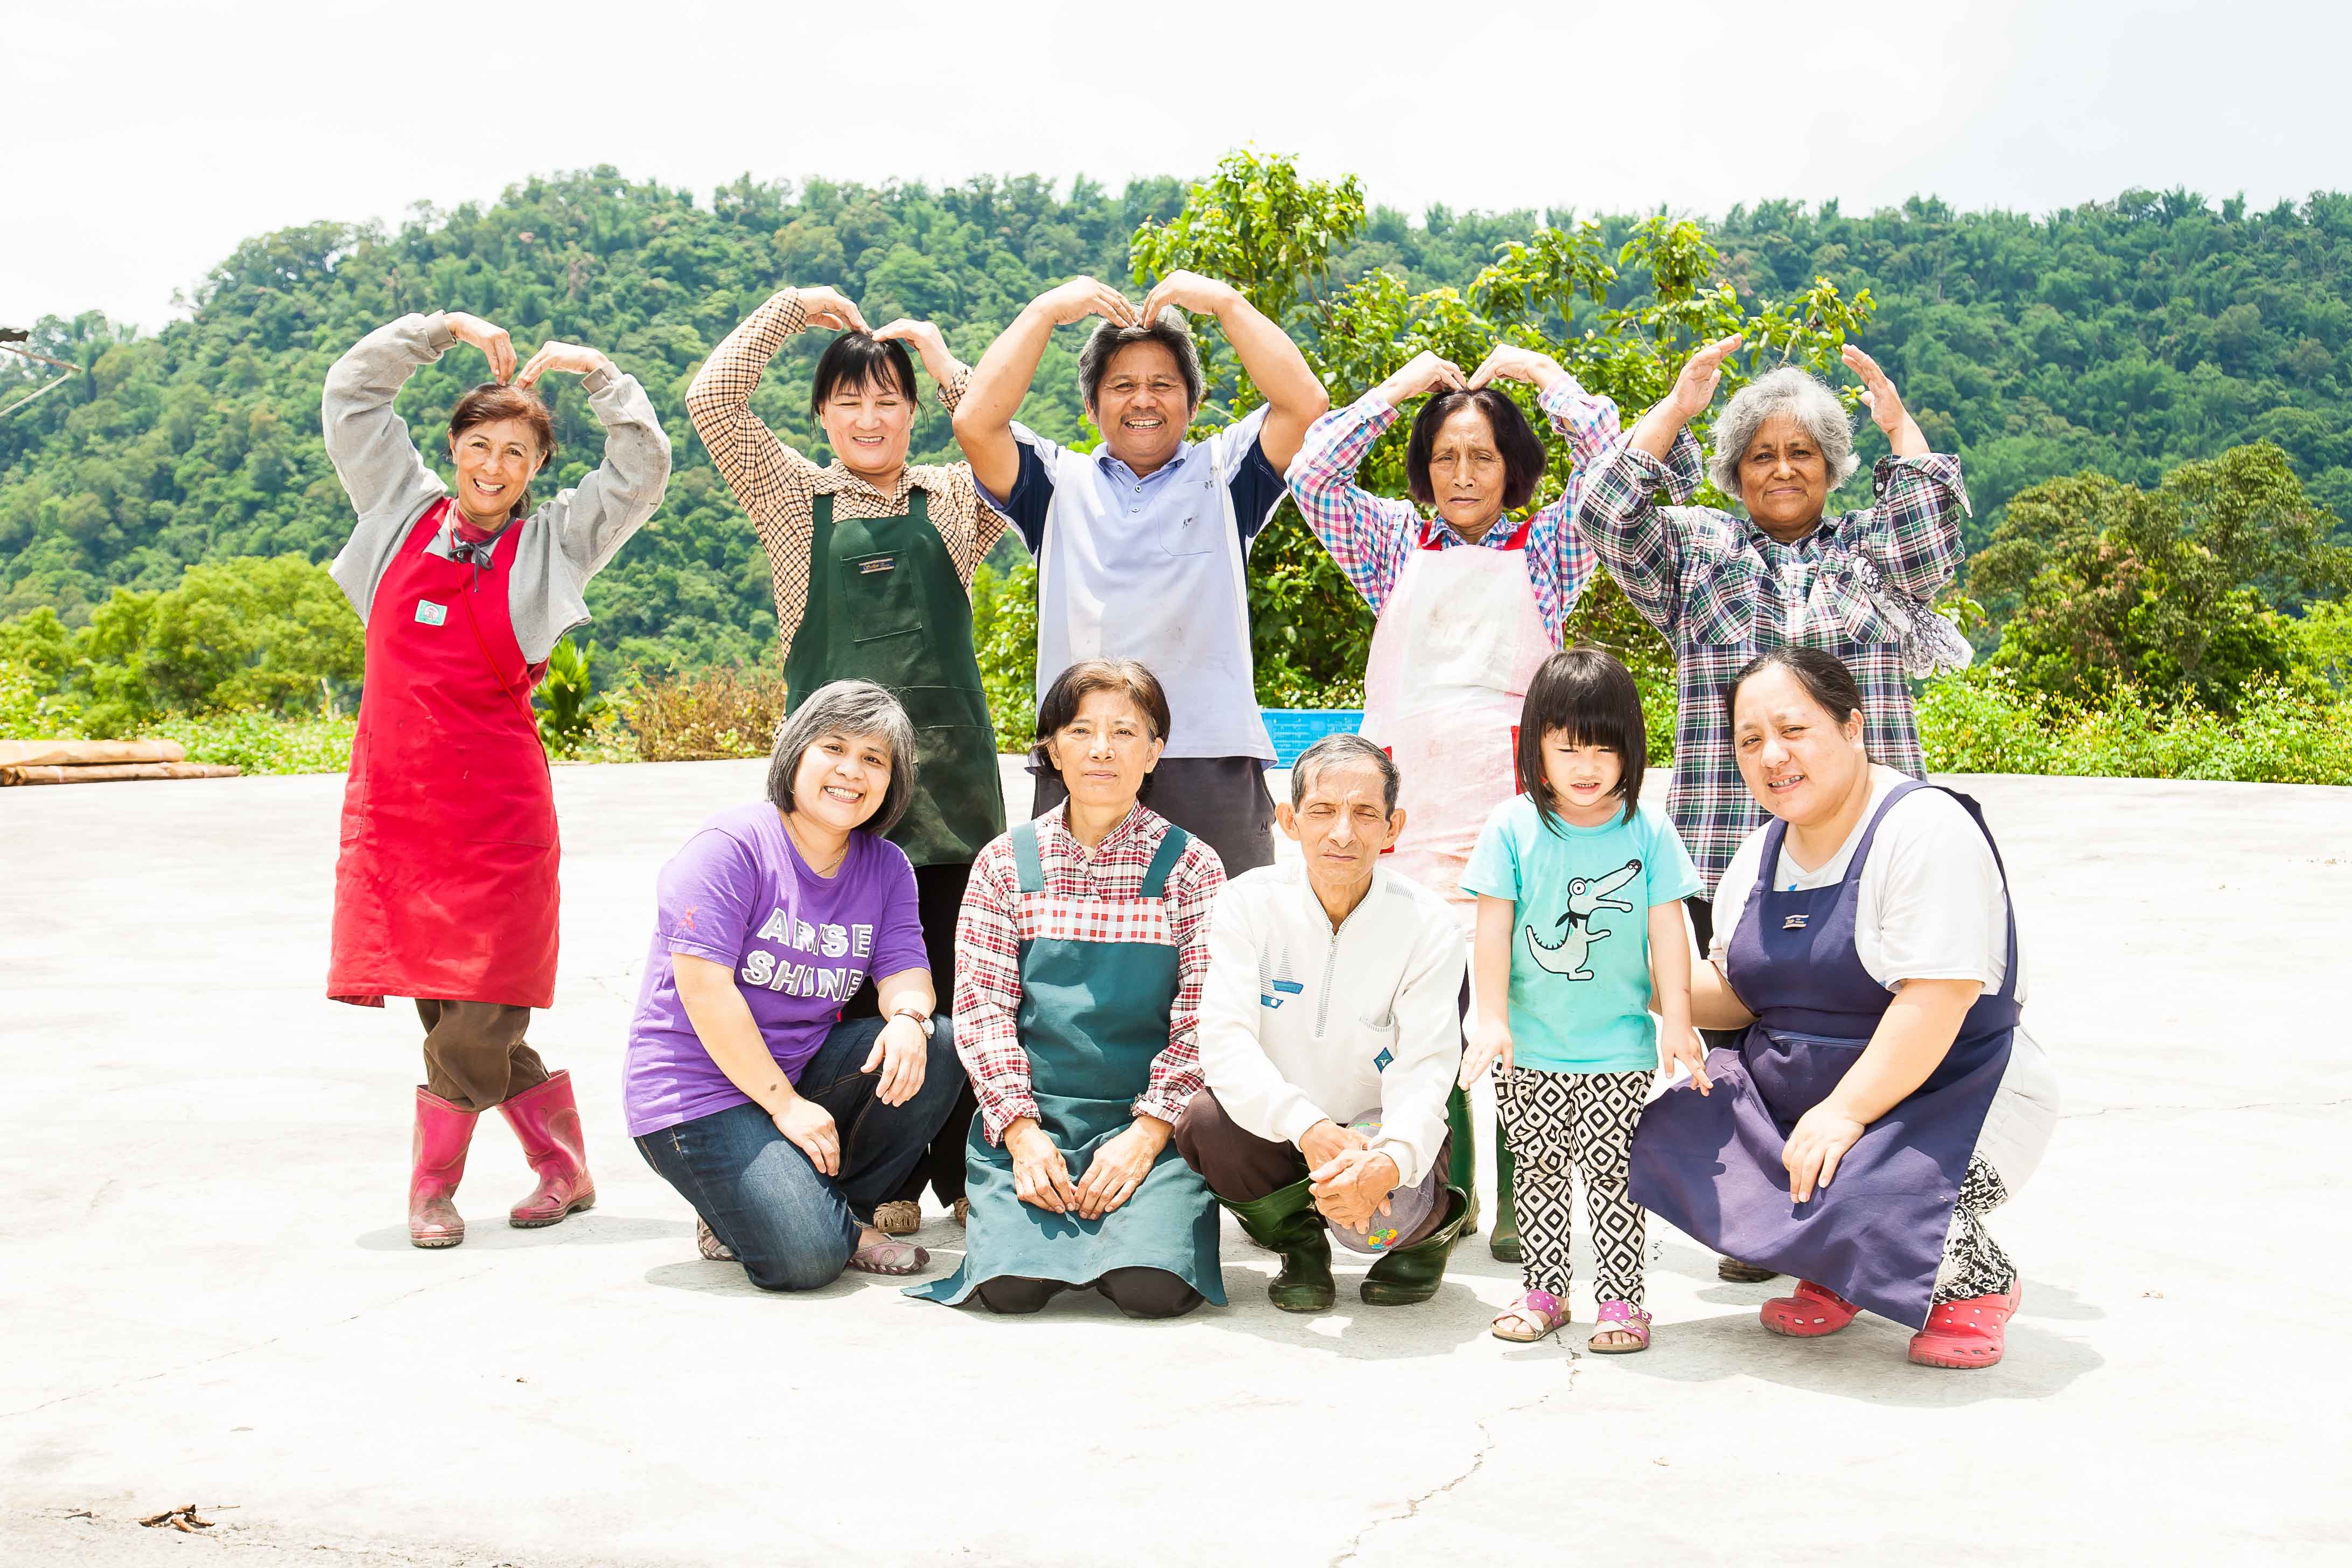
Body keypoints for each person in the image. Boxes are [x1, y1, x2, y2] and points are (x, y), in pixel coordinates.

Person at [1286, 343, 1700, 1261]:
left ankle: (1527, 1196)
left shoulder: (1550, 546)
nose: (1462, 474)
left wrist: (1543, 373)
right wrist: (1400, 385)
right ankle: (1454, 1188)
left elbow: (1610, 468)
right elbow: (1310, 473)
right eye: (1444, 457)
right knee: (1418, 1022)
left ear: (1512, 468)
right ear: (1422, 470)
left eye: (1481, 456)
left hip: (1516, 823)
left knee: (1524, 1011)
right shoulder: (1393, 543)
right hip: (1405, 822)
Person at [1575, 340, 1971, 1285]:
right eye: (1760, 453)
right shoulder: (1697, 556)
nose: (1782, 469)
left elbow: (1933, 527)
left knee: (1861, 1030)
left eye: (1801, 452)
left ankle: (1854, 1205)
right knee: (1741, 1047)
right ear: (1733, 472)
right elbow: (1605, 514)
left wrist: (1892, 420)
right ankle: (1762, 1212)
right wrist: (1677, 403)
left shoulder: (1876, 554)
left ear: (1830, 468)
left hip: (1866, 852)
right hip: (1728, 845)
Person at [322, 310, 671, 1248]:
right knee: (462, 1017)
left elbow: (642, 473)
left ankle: (431, 1190)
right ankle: (564, 1166)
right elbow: (352, 393)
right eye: (479, 444)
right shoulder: (397, 509)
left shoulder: (554, 545)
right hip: (404, 816)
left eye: (516, 452)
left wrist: (604, 378)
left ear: (535, 469)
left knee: (474, 1021)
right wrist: (440, 331)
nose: (492, 466)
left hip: (500, 824)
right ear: (452, 447)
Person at [1630, 650, 2060, 1368]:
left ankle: (1976, 1285)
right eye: (1749, 740)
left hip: (1955, 1102)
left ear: (1853, 727)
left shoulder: (1924, 827)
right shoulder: (1759, 852)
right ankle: (1843, 1266)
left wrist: (1844, 1113)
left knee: (1859, 1182)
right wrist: (1623, 976)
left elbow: (1938, 997)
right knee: (1682, 1134)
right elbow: (1735, 994)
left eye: (1794, 729)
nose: (1772, 755)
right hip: (1820, 1111)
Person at [688, 284, 1004, 1237]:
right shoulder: (794, 502)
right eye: (848, 401)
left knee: (948, 999)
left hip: (947, 801)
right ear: (820, 414)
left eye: (889, 400)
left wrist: (946, 360)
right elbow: (711, 401)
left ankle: (931, 1179)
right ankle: (787, 1176)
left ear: (912, 412)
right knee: (814, 1006)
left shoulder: (953, 497)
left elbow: (1002, 441)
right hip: (823, 815)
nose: (869, 418)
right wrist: (787, 311)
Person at [951, 271, 1329, 876]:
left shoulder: (1225, 473)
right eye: (1122, 385)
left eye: (1163, 384)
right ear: (1092, 403)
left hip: (1210, 758)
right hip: (1082, 757)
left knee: (1227, 952)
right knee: (1077, 952)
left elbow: (1305, 405)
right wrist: (1045, 309)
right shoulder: (1054, 483)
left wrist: (1227, 303)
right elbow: (975, 423)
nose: (1143, 400)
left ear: (1193, 401)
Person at [909, 660, 1228, 1318]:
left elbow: (1204, 1015)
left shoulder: (1191, 866)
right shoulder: (1005, 862)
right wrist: (1023, 1133)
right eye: (1081, 730)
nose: (1102, 748)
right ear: (1053, 747)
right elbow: (981, 1011)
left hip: (1150, 1123)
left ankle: (1147, 1220)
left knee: (1154, 1289)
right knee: (1010, 1290)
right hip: (1033, 1117)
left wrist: (1146, 1133)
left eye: (1125, 731)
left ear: (1154, 750)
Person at [625, 681, 963, 1288]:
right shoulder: (731, 847)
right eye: (834, 747)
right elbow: (706, 993)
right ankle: (798, 1219)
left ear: (893, 782)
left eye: (874, 759)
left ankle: (839, 1211)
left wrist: (910, 1018)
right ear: (796, 753)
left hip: (800, 1071)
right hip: (697, 1096)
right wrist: (784, 1106)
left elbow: (906, 967)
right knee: (805, 1259)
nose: (850, 771)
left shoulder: (885, 866)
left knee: (937, 1045)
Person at [1458, 649, 1704, 1352]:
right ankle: (1545, 1289)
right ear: (1537, 745)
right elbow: (1493, 930)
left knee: (1614, 1182)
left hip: (1619, 1050)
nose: (1586, 765)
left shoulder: (1648, 829)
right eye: (1568, 748)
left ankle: (1624, 1301)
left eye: (1603, 747)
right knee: (1536, 1175)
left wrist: (1678, 1024)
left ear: (1631, 747)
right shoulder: (1511, 828)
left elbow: (1668, 932)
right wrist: (1492, 1019)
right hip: (1529, 1051)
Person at [1178, 736, 1471, 1313]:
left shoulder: (1430, 923)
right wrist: (1308, 1126)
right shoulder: (1246, 902)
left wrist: (1388, 1159)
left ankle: (1423, 1238)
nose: (1342, 832)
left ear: (1393, 827)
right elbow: (1224, 1041)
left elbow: (1428, 1066)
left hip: (1375, 1128)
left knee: (1376, 1223)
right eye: (1322, 810)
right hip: (1287, 1129)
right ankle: (1300, 1244)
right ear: (1288, 820)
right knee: (1205, 1119)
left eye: (1365, 813)